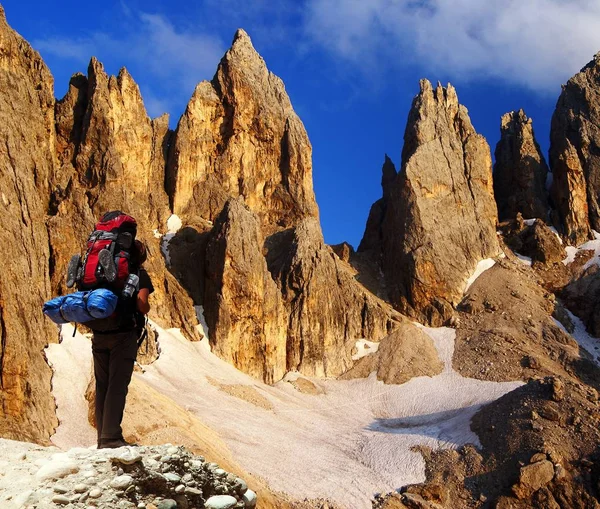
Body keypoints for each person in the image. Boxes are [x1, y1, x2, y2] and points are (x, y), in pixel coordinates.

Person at [92, 239, 154, 449]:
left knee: (103, 385)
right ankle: (111, 438)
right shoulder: (138, 274)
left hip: (99, 333)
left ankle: (103, 437)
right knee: (117, 386)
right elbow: (142, 304)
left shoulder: (104, 273)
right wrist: (145, 307)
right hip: (123, 335)